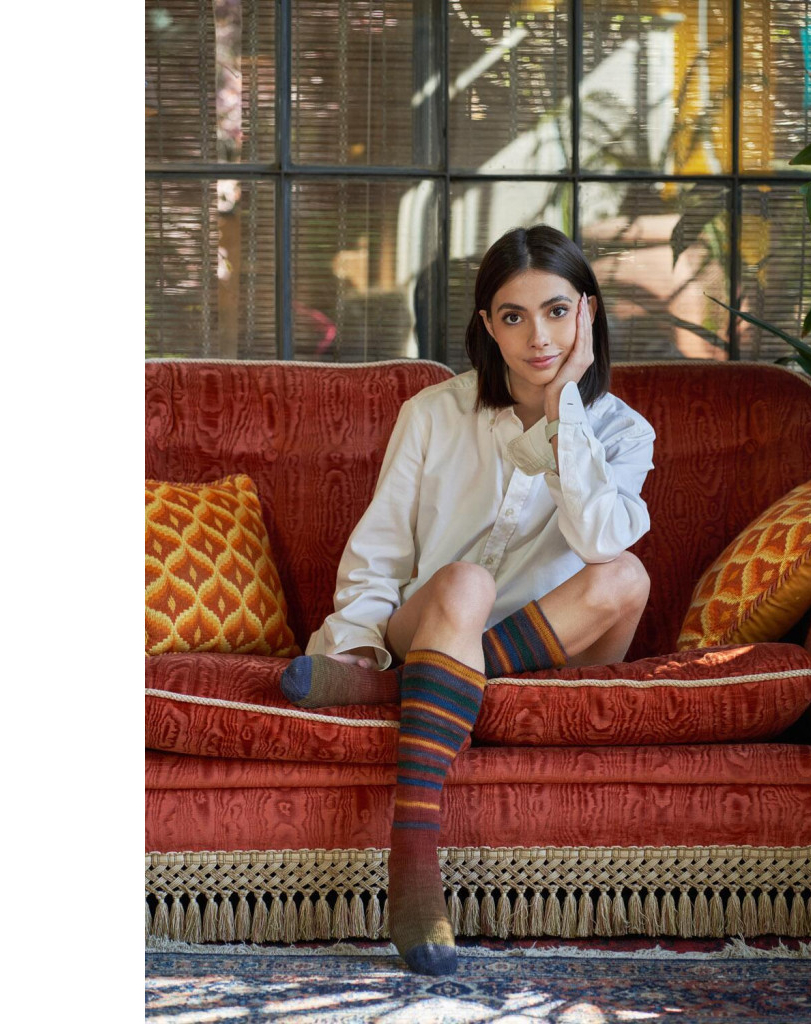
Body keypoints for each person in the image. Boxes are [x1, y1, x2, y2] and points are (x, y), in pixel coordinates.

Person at [280, 225, 656, 975]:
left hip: (553, 646)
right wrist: (356, 645)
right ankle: (414, 856)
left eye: (557, 311)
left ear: (588, 313)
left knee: (626, 576)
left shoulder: (622, 432)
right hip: (434, 622)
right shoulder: (431, 414)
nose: (538, 337)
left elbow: (598, 540)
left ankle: (410, 690)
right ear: (488, 325)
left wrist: (567, 413)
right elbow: (381, 551)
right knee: (464, 581)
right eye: (514, 316)